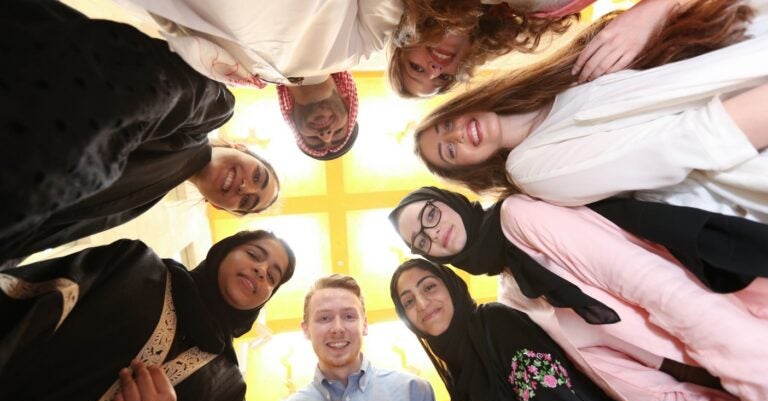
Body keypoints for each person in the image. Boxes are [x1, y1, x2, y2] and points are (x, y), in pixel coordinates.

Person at [389, 187, 768, 401]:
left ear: (447, 199)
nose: (434, 233)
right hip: (686, 392)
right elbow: (607, 372)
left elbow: (643, 281)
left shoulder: (519, 218)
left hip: (719, 343)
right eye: (422, 240)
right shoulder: (512, 295)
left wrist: (745, 366)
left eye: (431, 214)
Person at [412, 1, 768, 221]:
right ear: (474, 169)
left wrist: (648, 12)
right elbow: (676, 145)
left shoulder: (553, 81)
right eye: (450, 150)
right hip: (746, 123)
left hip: (739, 44)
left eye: (445, 126)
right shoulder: (532, 171)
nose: (457, 134)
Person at [0, 0, 281, 269]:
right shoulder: (216, 108)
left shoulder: (145, 200)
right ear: (239, 146)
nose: (246, 188)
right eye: (258, 176)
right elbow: (154, 85)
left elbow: (55, 226)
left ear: (220, 207)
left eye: (246, 202)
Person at [0, 229, 296, 401]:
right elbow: (28, 300)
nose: (261, 270)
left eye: (272, 276)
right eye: (255, 254)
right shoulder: (133, 265)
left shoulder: (229, 391)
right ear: (223, 251)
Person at [390, 259, 659, 401]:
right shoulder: (458, 378)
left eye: (429, 287)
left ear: (451, 287)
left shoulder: (494, 324)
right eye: (409, 302)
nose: (423, 304)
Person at [118, 0, 404, 160]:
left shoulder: (239, 74)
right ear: (348, 101)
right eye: (340, 133)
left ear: (291, 119)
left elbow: (178, 28)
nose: (326, 135)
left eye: (314, 141)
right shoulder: (363, 45)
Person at [388, 0, 723, 97]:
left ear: (404, 46)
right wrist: (650, 13)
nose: (435, 70)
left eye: (416, 68)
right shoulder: (543, 13)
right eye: (443, 80)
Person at [262, 274, 445, 401]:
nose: (337, 328)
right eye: (324, 318)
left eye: (349, 316)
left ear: (364, 325)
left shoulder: (415, 393)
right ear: (306, 330)